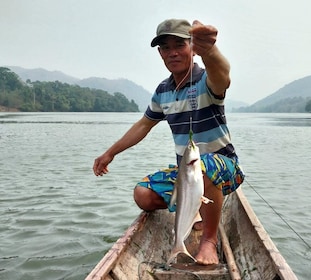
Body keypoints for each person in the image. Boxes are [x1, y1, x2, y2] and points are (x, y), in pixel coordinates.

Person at [93, 19, 244, 265]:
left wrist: (211, 52)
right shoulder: (163, 91)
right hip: (186, 172)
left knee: (204, 165)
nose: (172, 52)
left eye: (179, 45)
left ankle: (209, 241)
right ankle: (193, 210)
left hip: (225, 169)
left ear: (193, 48)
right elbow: (144, 124)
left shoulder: (207, 80)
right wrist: (110, 153)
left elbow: (222, 76)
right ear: (160, 53)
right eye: (165, 47)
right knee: (143, 195)